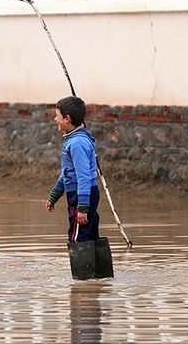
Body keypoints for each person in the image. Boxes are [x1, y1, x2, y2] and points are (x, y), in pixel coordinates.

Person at [44, 96, 113, 279]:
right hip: (85, 193)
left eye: (57, 115)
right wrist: (54, 195)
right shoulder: (76, 138)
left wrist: (82, 207)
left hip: (82, 195)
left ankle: (82, 283)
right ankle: (100, 278)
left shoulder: (77, 143)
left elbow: (82, 177)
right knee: (90, 233)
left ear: (67, 119)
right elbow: (68, 174)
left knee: (77, 237)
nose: (55, 119)